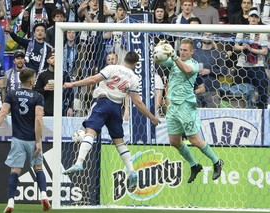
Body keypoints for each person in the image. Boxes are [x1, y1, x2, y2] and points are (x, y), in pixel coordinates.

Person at [62, 51, 160, 192]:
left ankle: (79, 162)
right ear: (135, 64)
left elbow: (93, 80)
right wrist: (152, 117)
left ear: (123, 58)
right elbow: (137, 102)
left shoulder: (112, 68)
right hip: (116, 108)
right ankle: (131, 170)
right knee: (119, 142)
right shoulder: (134, 78)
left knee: (90, 131)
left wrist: (72, 84)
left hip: (103, 102)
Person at [154, 39, 223, 183]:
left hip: (186, 106)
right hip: (173, 107)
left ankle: (217, 161)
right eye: (181, 49)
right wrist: (159, 50)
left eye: (186, 50)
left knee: (194, 140)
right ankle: (194, 165)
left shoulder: (194, 64)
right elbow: (161, 61)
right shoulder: (174, 61)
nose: (182, 52)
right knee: (174, 141)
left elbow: (185, 69)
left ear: (192, 52)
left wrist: (174, 56)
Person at [0, 68, 51, 213]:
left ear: (20, 80)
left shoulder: (12, 94)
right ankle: (44, 195)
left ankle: (11, 202)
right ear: (32, 81)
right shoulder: (38, 97)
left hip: (18, 139)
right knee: (38, 168)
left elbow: (2, 113)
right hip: (33, 139)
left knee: (15, 170)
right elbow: (38, 119)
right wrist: (38, 141)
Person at [234, 7, 269, 109]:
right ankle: (240, 110)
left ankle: (261, 110)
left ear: (259, 19)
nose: (253, 19)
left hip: (257, 65)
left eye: (255, 17)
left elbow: (265, 51)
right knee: (238, 90)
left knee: (263, 88)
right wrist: (243, 47)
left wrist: (250, 49)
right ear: (248, 18)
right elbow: (235, 47)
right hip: (242, 65)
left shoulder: (262, 32)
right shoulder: (242, 31)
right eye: (251, 16)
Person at [34, 51, 74, 116]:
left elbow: (71, 92)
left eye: (56, 58)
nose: (55, 60)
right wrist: (44, 88)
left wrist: (70, 107)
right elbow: (35, 92)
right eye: (52, 58)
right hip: (45, 110)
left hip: (62, 109)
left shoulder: (64, 74)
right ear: (47, 60)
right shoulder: (42, 74)